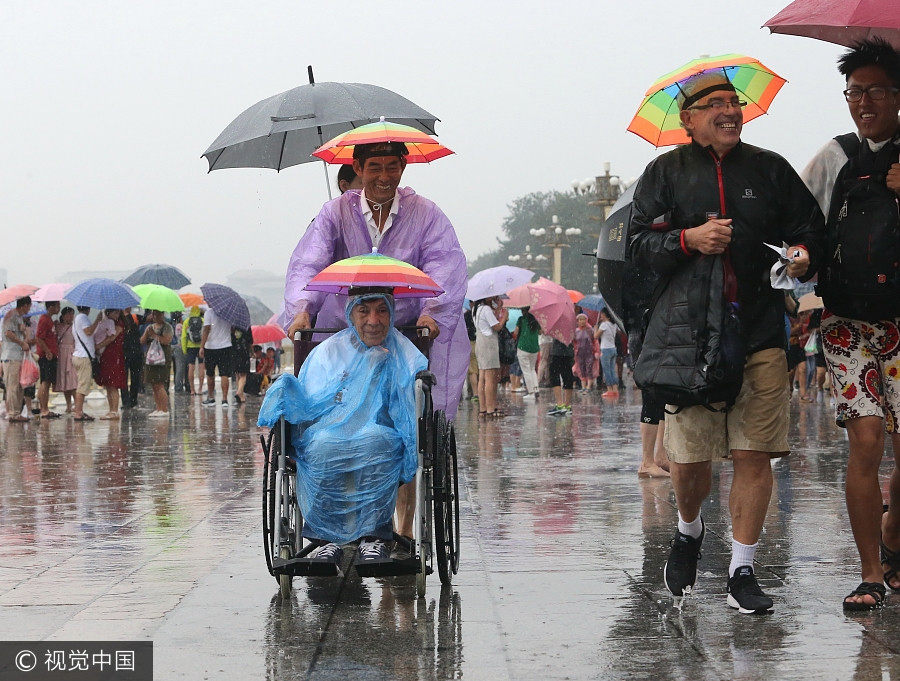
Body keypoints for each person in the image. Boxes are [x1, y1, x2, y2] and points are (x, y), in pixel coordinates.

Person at [629, 69, 824, 614]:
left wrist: (804, 253)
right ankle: (689, 529)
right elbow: (638, 246)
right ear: (688, 120)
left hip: (760, 333)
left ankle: (742, 565)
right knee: (690, 464)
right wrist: (687, 240)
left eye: (733, 101)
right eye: (714, 103)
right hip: (689, 339)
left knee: (752, 453)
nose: (729, 111)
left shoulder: (769, 168)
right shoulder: (665, 172)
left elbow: (809, 225)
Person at [801, 38, 900, 611]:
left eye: (874, 91)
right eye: (853, 92)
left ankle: (892, 539)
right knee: (865, 441)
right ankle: (870, 574)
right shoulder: (836, 156)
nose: (862, 103)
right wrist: (799, 258)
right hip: (846, 323)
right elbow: (804, 222)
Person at [282, 140, 468, 421]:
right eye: (374, 168)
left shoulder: (426, 214)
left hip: (405, 332)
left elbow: (444, 265)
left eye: (392, 167)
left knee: (404, 408)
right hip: (341, 331)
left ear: (404, 167)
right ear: (358, 168)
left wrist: (432, 312)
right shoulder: (335, 212)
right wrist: (302, 309)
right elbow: (309, 262)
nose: (384, 177)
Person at [257, 287, 427, 565]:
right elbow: (310, 398)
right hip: (329, 430)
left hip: (381, 431)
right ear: (350, 313)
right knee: (323, 446)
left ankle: (374, 538)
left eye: (382, 310)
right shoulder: (329, 352)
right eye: (364, 311)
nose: (374, 320)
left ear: (391, 313)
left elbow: (411, 405)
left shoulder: (404, 353)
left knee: (376, 442)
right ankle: (326, 539)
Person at [473, 296, 507, 418]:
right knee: (490, 378)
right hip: (488, 344)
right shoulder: (486, 309)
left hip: (480, 343)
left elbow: (489, 321)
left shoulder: (476, 309)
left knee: (482, 376)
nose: (494, 297)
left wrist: (498, 309)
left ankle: (483, 408)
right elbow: (496, 326)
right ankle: (490, 408)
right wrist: (504, 318)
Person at [2, 297, 33, 422]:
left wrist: (24, 331)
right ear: (24, 305)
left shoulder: (19, 317)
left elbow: (18, 333)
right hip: (11, 356)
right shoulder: (11, 315)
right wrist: (21, 343)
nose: (29, 309)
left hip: (18, 356)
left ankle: (18, 412)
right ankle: (13, 413)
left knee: (20, 386)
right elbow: (8, 333)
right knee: (12, 386)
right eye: (29, 306)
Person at [94, 309, 126, 420]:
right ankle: (111, 410)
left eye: (117, 312)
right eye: (114, 312)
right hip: (107, 355)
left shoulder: (119, 324)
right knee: (108, 384)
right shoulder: (110, 323)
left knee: (113, 384)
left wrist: (97, 346)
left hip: (114, 355)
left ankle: (114, 411)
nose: (116, 314)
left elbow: (111, 338)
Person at [71, 306, 102, 422]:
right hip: (83, 357)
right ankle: (78, 413)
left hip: (79, 355)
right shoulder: (83, 317)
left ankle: (79, 411)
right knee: (82, 386)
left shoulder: (77, 319)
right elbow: (88, 331)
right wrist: (97, 320)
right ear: (88, 308)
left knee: (82, 384)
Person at [141, 309, 173, 418]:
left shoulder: (167, 327)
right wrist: (146, 333)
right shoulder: (150, 327)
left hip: (162, 359)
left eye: (157, 314)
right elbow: (142, 341)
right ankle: (158, 408)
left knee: (160, 384)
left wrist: (154, 335)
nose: (154, 316)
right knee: (154, 384)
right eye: (153, 314)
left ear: (162, 314)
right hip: (151, 359)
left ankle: (164, 409)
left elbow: (166, 340)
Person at [199, 307, 232, 407]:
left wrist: (201, 346)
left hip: (210, 347)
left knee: (210, 373)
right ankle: (225, 399)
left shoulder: (208, 313)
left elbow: (206, 329)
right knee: (224, 374)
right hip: (226, 346)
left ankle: (211, 397)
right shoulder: (228, 313)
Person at [35, 300, 62, 419]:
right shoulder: (44, 319)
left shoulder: (49, 320)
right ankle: (44, 409)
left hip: (51, 354)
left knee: (48, 381)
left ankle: (45, 407)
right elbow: (39, 338)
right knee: (45, 381)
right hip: (46, 356)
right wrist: (47, 351)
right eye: (57, 306)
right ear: (51, 307)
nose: (59, 308)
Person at [513, 306, 540, 398]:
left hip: (523, 347)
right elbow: (540, 332)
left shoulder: (521, 319)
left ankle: (531, 392)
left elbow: (516, 333)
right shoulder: (536, 320)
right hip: (534, 347)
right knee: (532, 369)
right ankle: (536, 389)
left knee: (526, 371)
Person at [55, 307, 78, 412]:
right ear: (63, 316)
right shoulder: (58, 326)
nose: (71, 317)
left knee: (73, 381)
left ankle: (77, 405)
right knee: (65, 381)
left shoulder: (75, 327)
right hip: (61, 355)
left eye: (72, 314)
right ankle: (68, 405)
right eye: (68, 314)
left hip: (71, 354)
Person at [120, 308, 143, 409]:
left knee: (135, 378)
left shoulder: (135, 317)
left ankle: (132, 400)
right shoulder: (119, 319)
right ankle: (126, 401)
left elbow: (148, 319)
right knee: (124, 379)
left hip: (135, 353)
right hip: (124, 353)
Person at [546, 338, 575, 416]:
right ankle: (567, 405)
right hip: (569, 351)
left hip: (557, 352)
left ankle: (560, 405)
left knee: (554, 375)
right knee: (568, 376)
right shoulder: (572, 326)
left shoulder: (557, 327)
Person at [594, 309, 619, 398]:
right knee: (612, 370)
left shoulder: (604, 325)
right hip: (613, 349)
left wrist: (596, 327)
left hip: (605, 350)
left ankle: (609, 390)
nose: (601, 316)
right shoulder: (614, 324)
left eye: (602, 314)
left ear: (606, 315)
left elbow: (595, 336)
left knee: (607, 371)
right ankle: (615, 390)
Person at [181, 305, 204, 395]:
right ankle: (200, 389)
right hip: (201, 346)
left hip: (190, 347)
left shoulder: (186, 321)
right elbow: (206, 334)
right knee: (201, 366)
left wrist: (184, 349)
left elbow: (183, 337)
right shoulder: (202, 321)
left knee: (191, 367)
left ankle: (192, 390)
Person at [573, 313, 598, 392]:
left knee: (589, 368)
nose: (582, 321)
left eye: (583, 319)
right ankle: (583, 387)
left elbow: (595, 341)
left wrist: (596, 351)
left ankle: (589, 387)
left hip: (589, 352)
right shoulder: (576, 331)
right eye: (580, 320)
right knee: (581, 369)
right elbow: (574, 342)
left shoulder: (590, 330)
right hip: (579, 353)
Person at [230, 325, 251, 404]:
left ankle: (240, 394)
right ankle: (239, 392)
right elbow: (250, 341)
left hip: (234, 353)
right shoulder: (246, 326)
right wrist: (252, 352)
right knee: (243, 375)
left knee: (237, 374)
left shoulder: (232, 326)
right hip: (244, 352)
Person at [170, 311, 187, 393]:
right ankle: (178, 386)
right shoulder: (179, 326)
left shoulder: (170, 324)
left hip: (170, 347)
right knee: (180, 368)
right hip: (178, 347)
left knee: (174, 367)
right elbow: (180, 337)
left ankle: (174, 385)